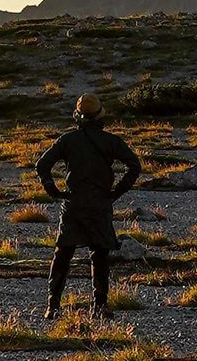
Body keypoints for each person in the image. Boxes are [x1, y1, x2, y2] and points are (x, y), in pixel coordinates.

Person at [35, 93, 141, 320]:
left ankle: (52, 306)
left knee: (63, 253)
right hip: (100, 204)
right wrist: (117, 192)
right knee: (100, 256)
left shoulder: (67, 140)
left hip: (73, 203)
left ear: (78, 117)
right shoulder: (112, 141)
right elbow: (135, 166)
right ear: (100, 117)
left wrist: (50, 186)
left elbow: (42, 164)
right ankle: (99, 307)